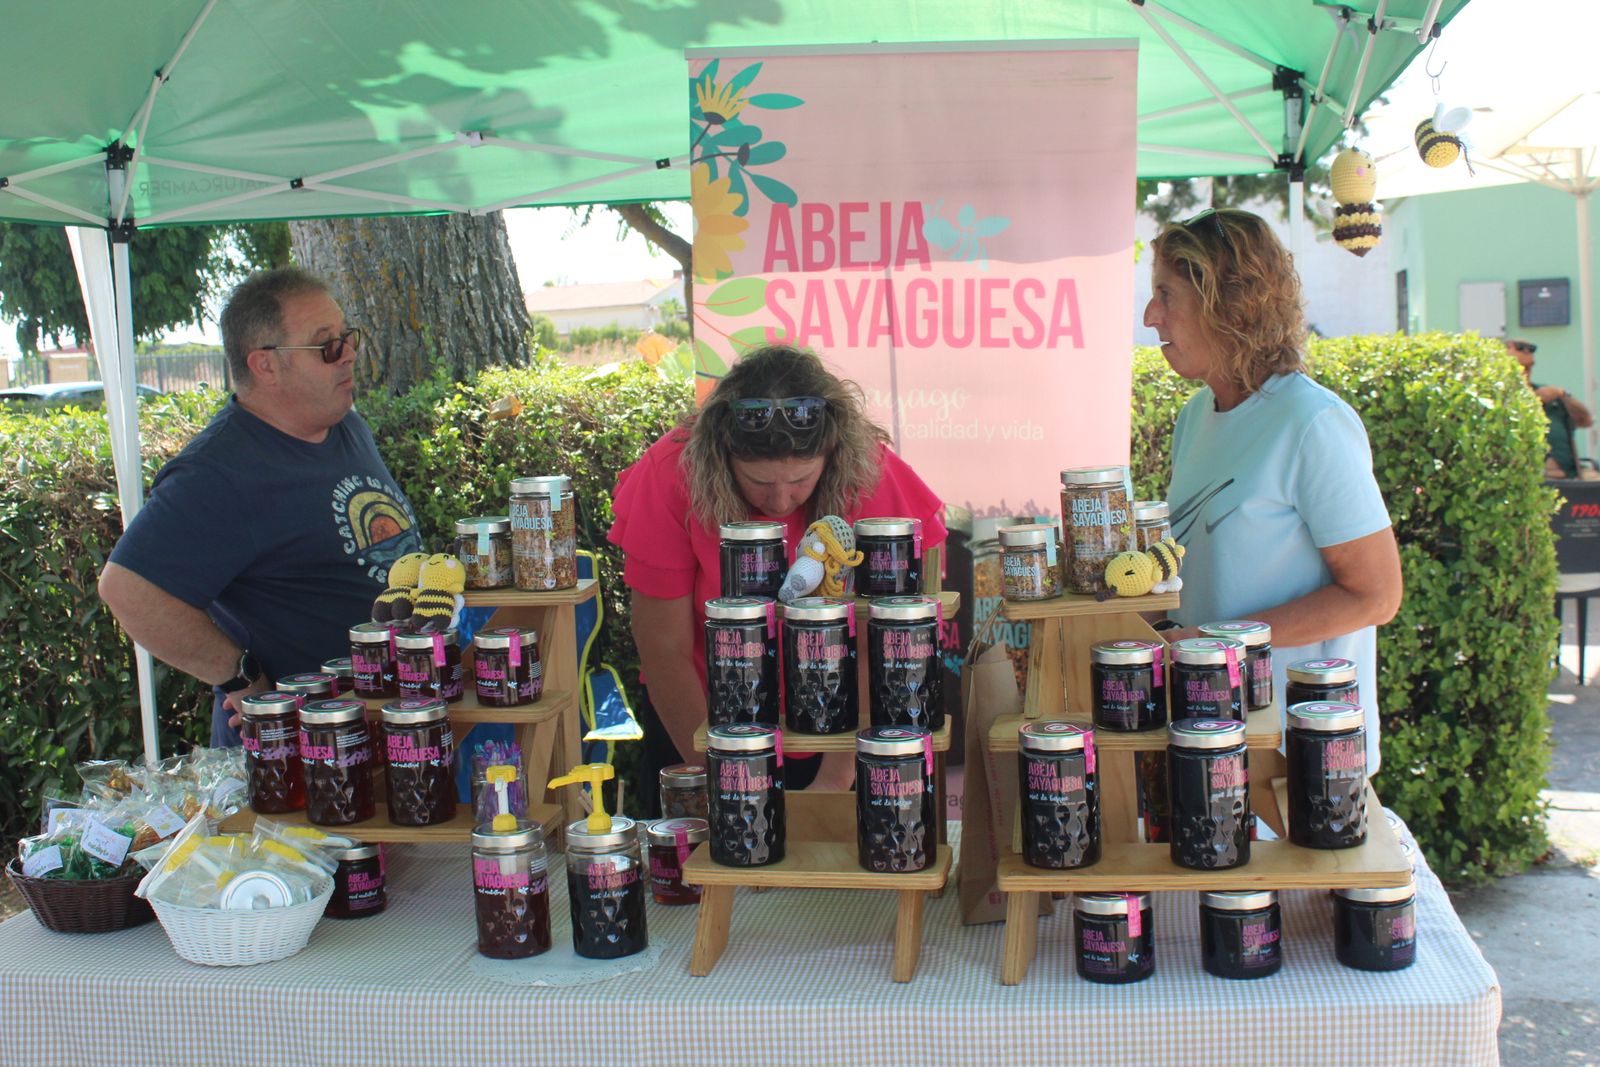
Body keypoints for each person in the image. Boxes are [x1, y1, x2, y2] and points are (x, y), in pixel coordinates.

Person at [608, 344, 947, 808]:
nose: (782, 500)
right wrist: (724, 779)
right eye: (760, 483)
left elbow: (888, 643)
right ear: (723, 456)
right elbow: (662, 644)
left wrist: (835, 779)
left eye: (801, 480)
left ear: (832, 454)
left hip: (845, 731)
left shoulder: (868, 470)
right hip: (700, 720)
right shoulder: (671, 472)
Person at [98, 268, 423, 745]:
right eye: (327, 345)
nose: (348, 354)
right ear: (266, 365)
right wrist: (240, 675)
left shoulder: (344, 425)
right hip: (302, 754)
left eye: (347, 337)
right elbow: (127, 590)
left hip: (381, 728)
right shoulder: (219, 470)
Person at [1142, 208, 1403, 770]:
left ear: (1228, 303)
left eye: (1166, 294)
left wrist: (1215, 641)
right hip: (1209, 739)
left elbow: (1376, 597)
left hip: (1299, 752)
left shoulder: (1312, 423)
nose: (1149, 316)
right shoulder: (1195, 417)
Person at [1507, 337, 1594, 479]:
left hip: (1571, 474)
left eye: (1529, 367)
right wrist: (1533, 401)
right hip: (1530, 478)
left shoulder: (1548, 393)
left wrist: (1563, 395)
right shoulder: (1498, 398)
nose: (1526, 373)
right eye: (1520, 367)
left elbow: (1586, 421)